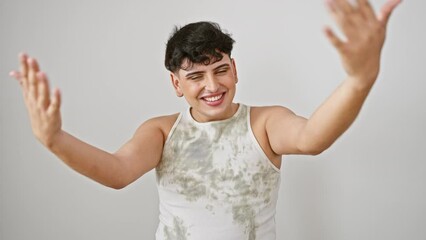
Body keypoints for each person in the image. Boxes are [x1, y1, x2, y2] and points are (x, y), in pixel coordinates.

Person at [9, 0, 401, 239]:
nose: (212, 85)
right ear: (176, 84)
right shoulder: (162, 131)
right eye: (196, 76)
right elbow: (117, 171)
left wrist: (360, 78)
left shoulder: (264, 123)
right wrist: (54, 139)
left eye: (220, 69)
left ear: (234, 68)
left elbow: (313, 136)